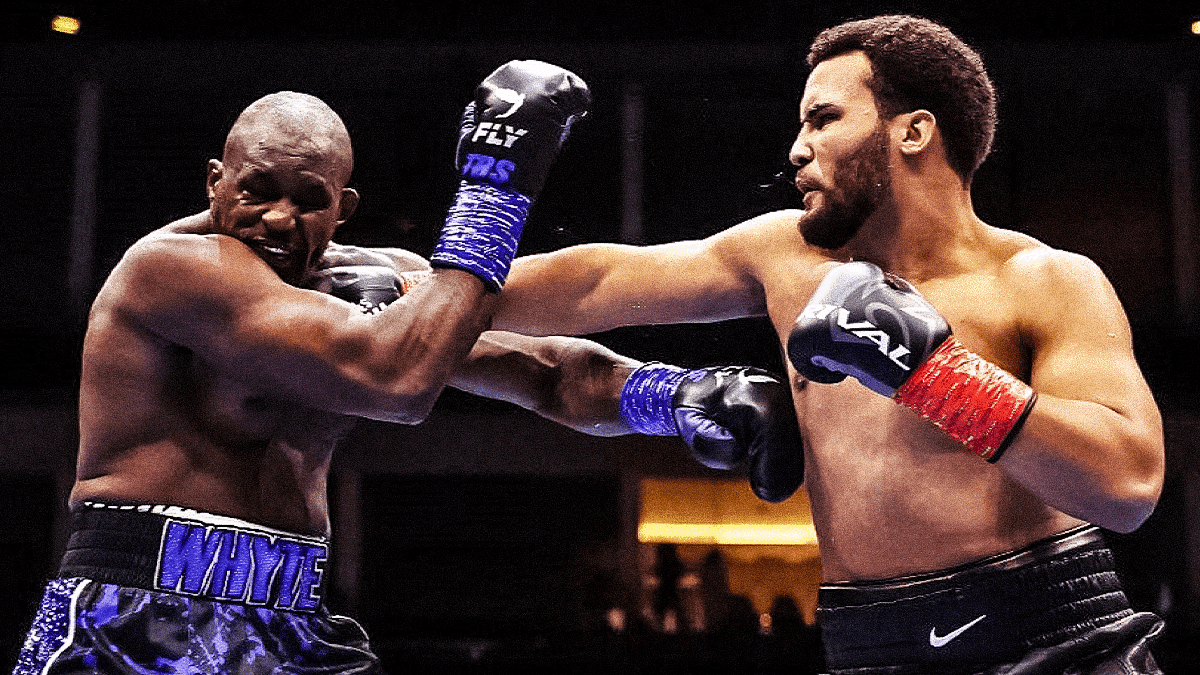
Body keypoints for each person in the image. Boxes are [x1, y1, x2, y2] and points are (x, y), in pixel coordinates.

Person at [12, 61, 802, 674]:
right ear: (215, 182)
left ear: (343, 207)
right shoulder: (173, 269)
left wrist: (682, 394)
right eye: (256, 190)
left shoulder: (370, 281)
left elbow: (545, 371)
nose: (278, 217)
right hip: (139, 612)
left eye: (307, 198)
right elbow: (392, 380)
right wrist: (493, 189)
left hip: (294, 616)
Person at [493, 15, 1167, 674]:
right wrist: (446, 254)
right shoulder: (786, 256)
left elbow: (1128, 484)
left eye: (823, 119)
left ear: (913, 131)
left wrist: (936, 375)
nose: (797, 148)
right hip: (866, 646)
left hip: (1050, 641)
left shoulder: (1043, 280)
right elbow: (596, 281)